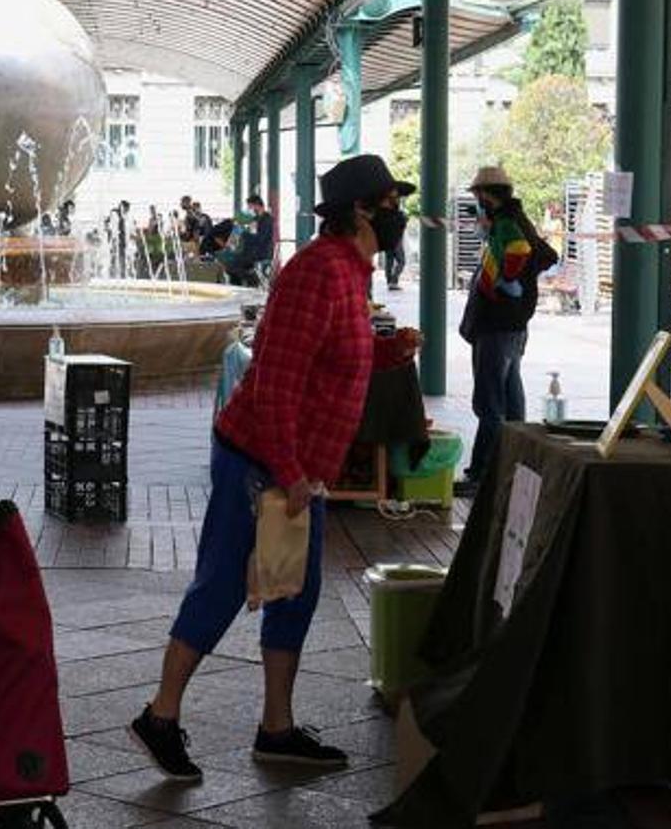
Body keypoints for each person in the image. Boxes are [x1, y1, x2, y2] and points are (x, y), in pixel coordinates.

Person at [129, 154, 415, 781]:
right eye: (394, 203)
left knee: (296, 593)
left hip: (296, 469)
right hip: (261, 462)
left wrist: (390, 351)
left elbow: (332, 357)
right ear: (363, 210)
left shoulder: (351, 272)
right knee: (224, 586)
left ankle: (276, 729)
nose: (401, 215)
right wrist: (287, 473)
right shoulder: (318, 272)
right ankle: (160, 715)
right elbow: (277, 385)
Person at [458, 165, 536, 495]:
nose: (477, 204)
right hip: (511, 325)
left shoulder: (507, 224)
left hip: (498, 326)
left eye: (477, 197)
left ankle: (481, 475)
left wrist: (503, 282)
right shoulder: (513, 221)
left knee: (490, 404)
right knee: (511, 398)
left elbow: (518, 256)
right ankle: (515, 467)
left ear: (487, 195)